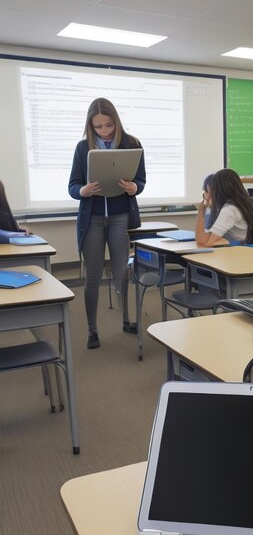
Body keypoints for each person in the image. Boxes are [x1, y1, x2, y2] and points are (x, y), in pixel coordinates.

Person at [68, 98, 146, 349]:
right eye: (98, 127)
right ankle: (92, 330)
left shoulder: (132, 144)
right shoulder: (82, 148)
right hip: (92, 218)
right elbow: (72, 187)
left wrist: (135, 187)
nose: (104, 131)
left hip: (120, 216)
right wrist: (84, 191)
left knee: (122, 271)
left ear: (116, 121)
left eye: (108, 125)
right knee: (92, 275)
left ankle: (126, 320)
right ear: (91, 126)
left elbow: (141, 181)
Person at [195, 168, 253, 246]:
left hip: (239, 253)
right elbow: (206, 238)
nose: (208, 195)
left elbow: (206, 243)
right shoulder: (235, 205)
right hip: (239, 249)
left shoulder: (230, 210)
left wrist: (201, 210)